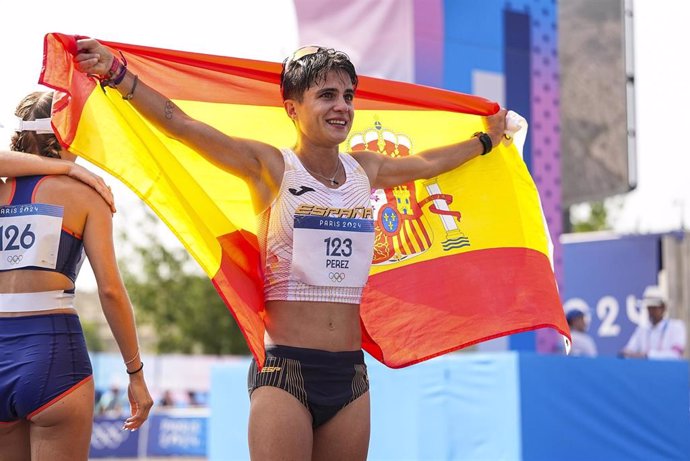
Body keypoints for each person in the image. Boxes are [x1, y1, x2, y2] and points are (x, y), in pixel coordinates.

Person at [74, 40, 508, 460]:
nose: (342, 106)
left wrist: (485, 142)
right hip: (285, 372)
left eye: (348, 95)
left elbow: (429, 164)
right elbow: (182, 124)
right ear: (292, 108)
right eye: (326, 95)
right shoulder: (271, 167)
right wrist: (116, 73)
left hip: (351, 376)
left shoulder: (366, 168)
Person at [0, 92, 153, 461]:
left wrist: (63, 168)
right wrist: (135, 373)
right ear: (67, 137)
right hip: (52, 352)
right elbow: (111, 291)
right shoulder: (87, 194)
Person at [621, 285, 687, 360]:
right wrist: (627, 353)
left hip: (669, 371)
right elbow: (628, 351)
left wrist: (648, 355)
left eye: (654, 308)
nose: (651, 311)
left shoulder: (676, 326)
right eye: (649, 307)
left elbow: (676, 354)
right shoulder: (642, 330)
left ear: (663, 308)